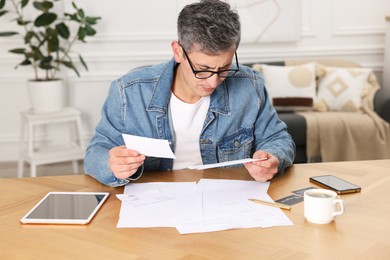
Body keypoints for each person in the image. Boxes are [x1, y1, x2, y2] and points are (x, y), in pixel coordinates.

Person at [84, 0, 295, 187]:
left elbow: (278, 139)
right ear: (178, 51)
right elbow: (95, 153)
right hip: (154, 205)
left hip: (226, 201)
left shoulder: (251, 86)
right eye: (202, 69)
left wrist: (273, 156)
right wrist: (111, 163)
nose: (213, 81)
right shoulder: (128, 93)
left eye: (224, 68)